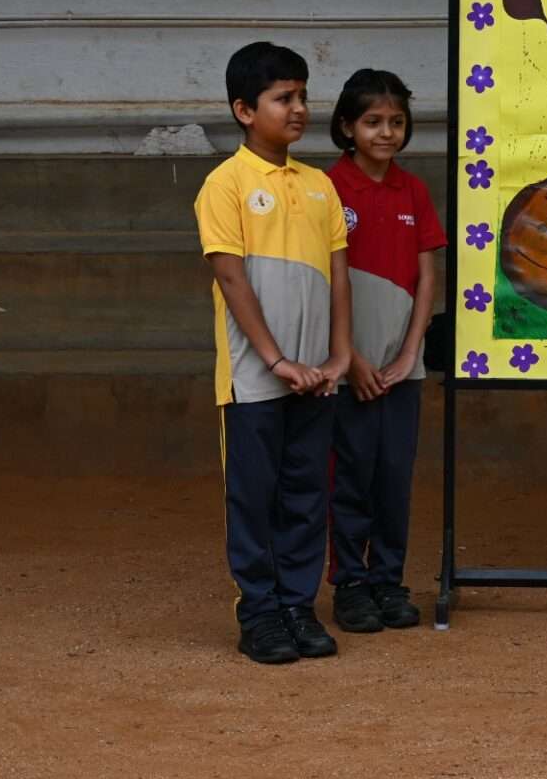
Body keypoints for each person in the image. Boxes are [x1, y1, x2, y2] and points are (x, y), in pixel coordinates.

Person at [194, 42, 351, 664]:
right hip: (255, 380)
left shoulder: (320, 186)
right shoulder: (224, 185)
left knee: (307, 495)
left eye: (303, 96)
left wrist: (338, 357)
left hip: (317, 378)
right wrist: (277, 360)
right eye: (283, 98)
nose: (299, 108)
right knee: (254, 496)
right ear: (244, 110)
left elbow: (339, 277)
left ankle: (297, 606)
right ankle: (259, 612)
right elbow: (232, 279)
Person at [324, 69, 446, 632]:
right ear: (347, 126)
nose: (386, 133)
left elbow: (428, 276)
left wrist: (408, 354)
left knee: (394, 476)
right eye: (373, 122)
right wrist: (351, 358)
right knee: (349, 475)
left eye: (396, 122)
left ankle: (388, 580)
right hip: (347, 368)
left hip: (402, 371)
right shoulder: (327, 189)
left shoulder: (413, 191)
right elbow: (322, 280)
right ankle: (350, 583)